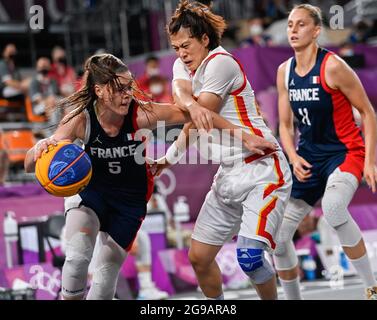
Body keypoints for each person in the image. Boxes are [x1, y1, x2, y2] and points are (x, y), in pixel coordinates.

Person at [24, 53, 273, 300]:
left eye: (129, 86)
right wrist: (38, 151)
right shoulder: (80, 119)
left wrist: (243, 132)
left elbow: (197, 116)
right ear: (99, 91)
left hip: (129, 202)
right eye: (119, 88)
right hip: (93, 194)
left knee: (105, 276)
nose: (127, 94)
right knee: (77, 258)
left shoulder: (143, 114)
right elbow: (29, 165)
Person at [153, 0, 292, 300]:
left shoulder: (220, 63)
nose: (181, 53)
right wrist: (187, 103)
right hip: (228, 173)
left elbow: (199, 118)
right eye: (176, 47)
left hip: (261, 168)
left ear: (205, 39)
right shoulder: (184, 61)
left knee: (250, 259)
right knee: (199, 258)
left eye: (186, 45)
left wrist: (165, 148)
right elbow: (181, 96)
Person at [272, 4, 377, 300]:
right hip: (308, 157)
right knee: (279, 237)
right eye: (290, 24)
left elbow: (368, 113)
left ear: (317, 31)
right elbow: (284, 125)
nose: (292, 30)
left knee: (332, 208)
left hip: (345, 152)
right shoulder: (284, 72)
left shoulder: (333, 66)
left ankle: (372, 288)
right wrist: (292, 156)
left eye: (301, 25)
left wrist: (370, 162)